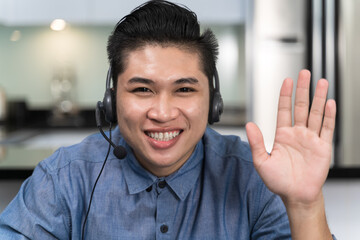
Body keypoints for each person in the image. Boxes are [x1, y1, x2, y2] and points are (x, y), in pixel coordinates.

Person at [0, 0, 337, 239]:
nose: (162, 113)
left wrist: (306, 205)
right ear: (111, 99)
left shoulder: (253, 177)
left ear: (213, 101)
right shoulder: (64, 178)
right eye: (143, 89)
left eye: (185, 89)